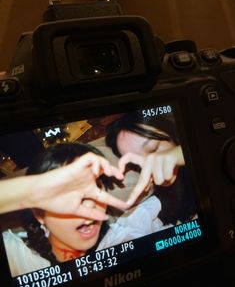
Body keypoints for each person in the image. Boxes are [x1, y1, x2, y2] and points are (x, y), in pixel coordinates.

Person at [2, 142, 126, 276]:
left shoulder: (121, 240)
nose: (90, 204)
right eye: (67, 193)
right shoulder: (15, 257)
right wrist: (32, 191)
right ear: (39, 215)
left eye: (96, 186)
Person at [106, 111, 197, 225]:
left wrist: (186, 151)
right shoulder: (157, 203)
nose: (150, 163)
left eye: (153, 149)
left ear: (173, 133)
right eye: (137, 163)